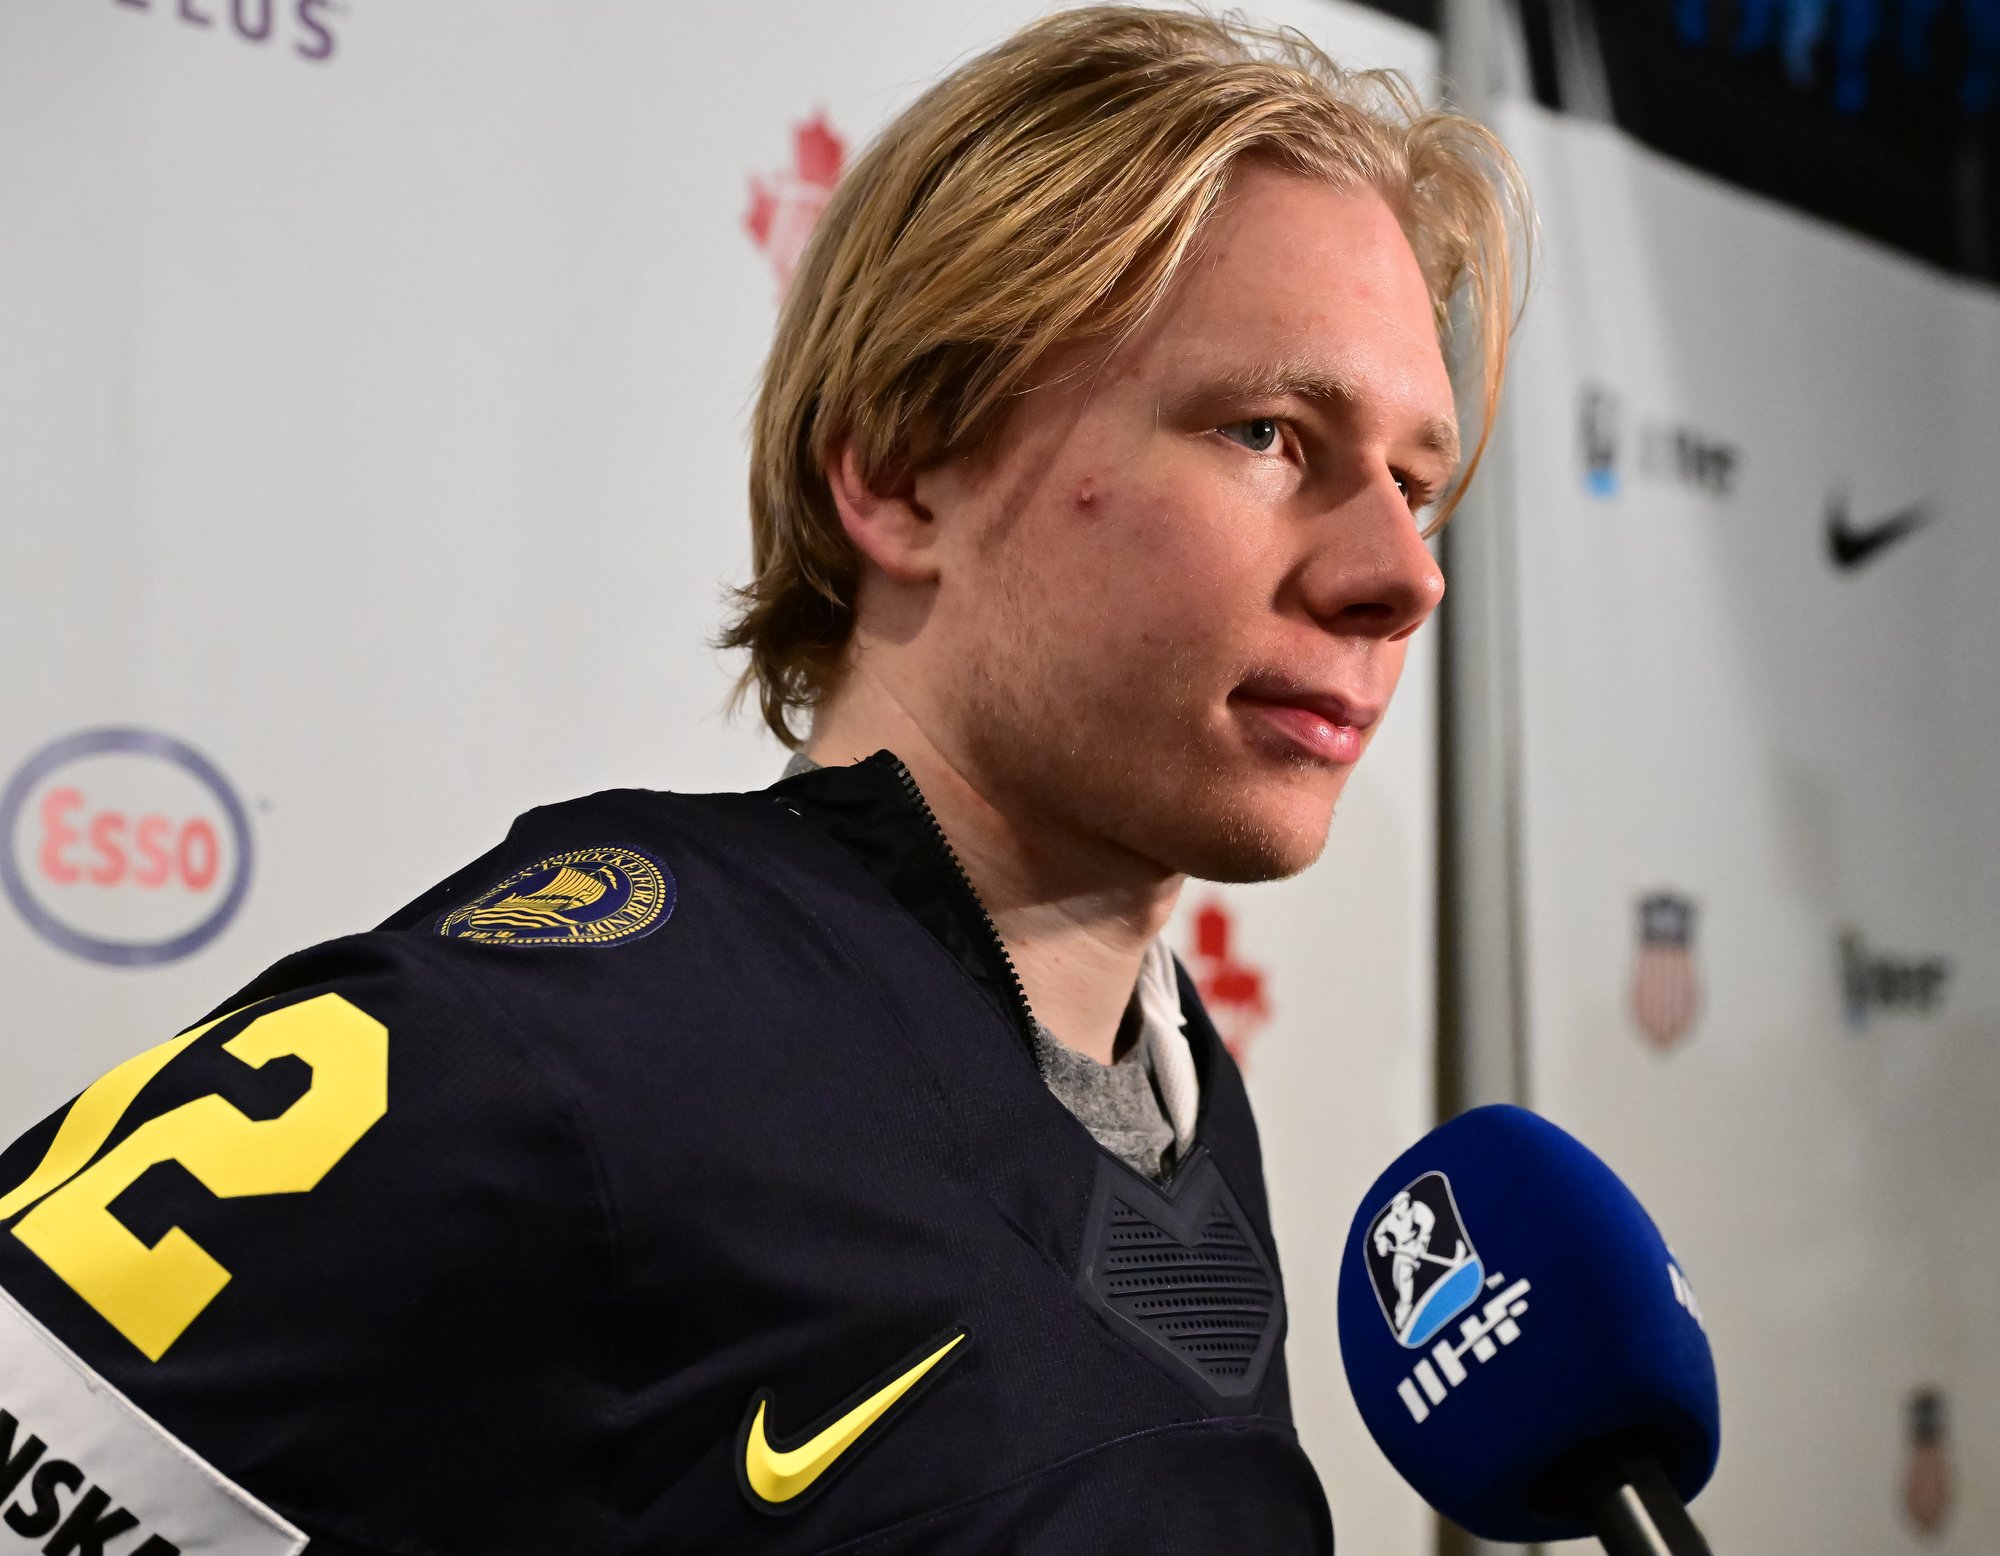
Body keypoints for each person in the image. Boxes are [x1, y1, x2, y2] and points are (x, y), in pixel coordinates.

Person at [0, 9, 1526, 1552]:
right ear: (901, 473)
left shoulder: (1180, 1096)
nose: (1404, 576)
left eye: (1415, 484)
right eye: (1268, 434)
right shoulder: (583, 1036)